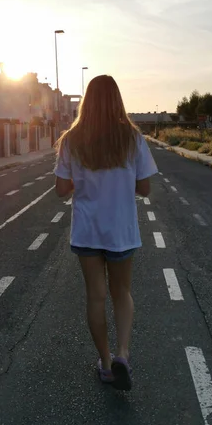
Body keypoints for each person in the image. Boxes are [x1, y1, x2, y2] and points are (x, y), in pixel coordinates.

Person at [54, 75, 158, 391]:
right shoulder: (133, 138)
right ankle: (124, 353)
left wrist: (82, 181)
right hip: (121, 231)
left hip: (87, 232)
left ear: (87, 101)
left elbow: (61, 190)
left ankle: (107, 363)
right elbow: (145, 187)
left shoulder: (72, 139)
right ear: (117, 100)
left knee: (96, 297)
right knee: (121, 292)